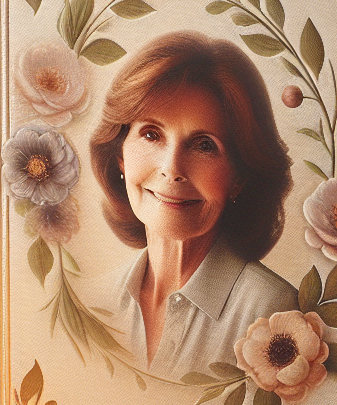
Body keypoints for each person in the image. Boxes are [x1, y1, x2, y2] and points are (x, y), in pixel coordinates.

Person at [89, 31, 297, 380]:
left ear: (240, 176)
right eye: (152, 134)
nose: (172, 168)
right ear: (120, 155)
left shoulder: (274, 314)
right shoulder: (95, 303)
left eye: (203, 145)